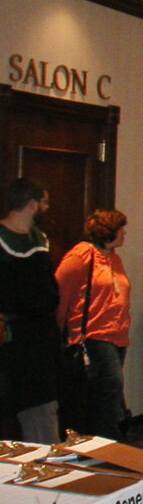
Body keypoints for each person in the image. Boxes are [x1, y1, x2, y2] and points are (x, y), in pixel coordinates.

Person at [55, 209, 131, 439]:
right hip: (93, 336)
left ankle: (102, 441)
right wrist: (59, 333)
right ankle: (106, 442)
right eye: (121, 229)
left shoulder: (115, 259)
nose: (125, 233)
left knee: (108, 392)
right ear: (109, 231)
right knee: (108, 390)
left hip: (117, 337)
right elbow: (59, 295)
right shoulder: (81, 256)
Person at [0, 178, 60, 443]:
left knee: (43, 407)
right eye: (44, 202)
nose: (47, 208)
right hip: (11, 338)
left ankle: (45, 458)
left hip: (41, 338)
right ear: (32, 204)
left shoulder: (39, 239)